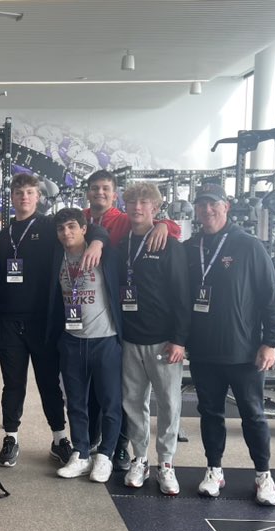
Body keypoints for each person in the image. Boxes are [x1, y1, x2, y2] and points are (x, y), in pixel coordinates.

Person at [0, 173, 107, 468]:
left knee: (49, 383)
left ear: (37, 196)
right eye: (19, 193)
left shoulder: (50, 227)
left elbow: (89, 232)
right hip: (8, 321)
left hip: (43, 321)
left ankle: (59, 438)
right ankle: (11, 437)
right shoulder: (5, 232)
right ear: (12, 198)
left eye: (29, 193)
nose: (24, 198)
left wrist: (98, 244)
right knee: (13, 384)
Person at [185, 183, 275, 506]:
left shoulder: (249, 246)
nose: (207, 210)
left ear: (225, 206)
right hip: (203, 352)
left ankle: (263, 476)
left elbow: (270, 298)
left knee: (253, 414)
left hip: (244, 352)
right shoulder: (191, 247)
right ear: (196, 210)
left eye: (213, 204)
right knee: (210, 413)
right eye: (201, 205)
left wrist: (271, 342)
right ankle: (214, 470)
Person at [83, 169, 179, 471]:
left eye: (106, 189)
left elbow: (167, 226)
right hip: (102, 317)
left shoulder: (124, 220)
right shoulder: (82, 217)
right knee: (110, 392)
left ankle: (128, 448)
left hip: (146, 328)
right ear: (88, 192)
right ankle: (93, 442)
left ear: (114, 195)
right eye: (95, 188)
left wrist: (163, 224)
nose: (100, 193)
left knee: (143, 399)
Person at [115, 183, 190, 495]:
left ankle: (167, 463)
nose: (137, 207)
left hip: (163, 342)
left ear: (156, 209)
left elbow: (182, 295)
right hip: (129, 339)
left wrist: (179, 340)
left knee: (170, 404)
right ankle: (141, 459)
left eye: (145, 203)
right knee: (133, 404)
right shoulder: (122, 247)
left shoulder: (169, 245)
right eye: (132, 202)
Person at [49, 208, 123, 481]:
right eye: (61, 229)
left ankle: (105, 455)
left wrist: (98, 241)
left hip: (105, 339)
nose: (66, 233)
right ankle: (80, 452)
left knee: (110, 401)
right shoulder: (58, 256)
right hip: (72, 340)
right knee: (76, 402)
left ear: (84, 228)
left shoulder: (105, 255)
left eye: (71, 227)